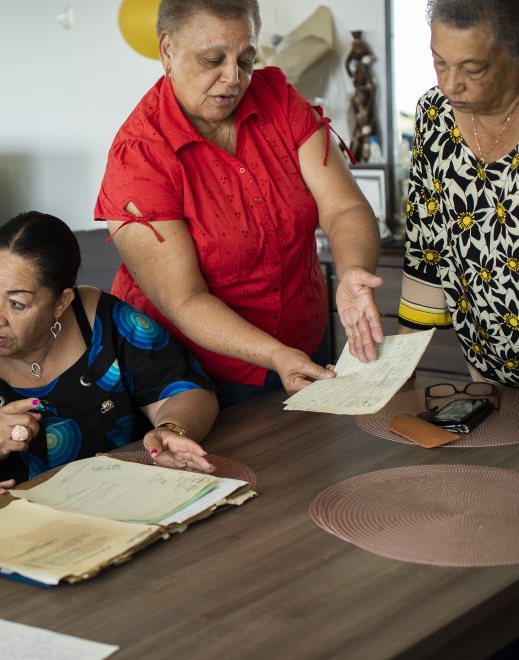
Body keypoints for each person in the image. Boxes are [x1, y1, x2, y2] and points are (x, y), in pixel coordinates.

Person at [95, 0, 385, 405]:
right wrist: (273, 354)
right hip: (195, 374)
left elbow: (344, 208)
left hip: (303, 343)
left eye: (246, 60)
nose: (233, 78)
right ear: (167, 50)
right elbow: (185, 300)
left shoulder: (278, 99)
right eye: (213, 59)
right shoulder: (139, 158)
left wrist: (354, 270)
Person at [0, 211, 219, 506]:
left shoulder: (101, 320)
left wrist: (173, 428)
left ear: (61, 303)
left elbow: (187, 390)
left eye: (17, 303)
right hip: (11, 536)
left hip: (119, 508)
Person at [398, 0, 519, 387]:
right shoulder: (434, 116)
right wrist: (398, 374)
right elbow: (426, 252)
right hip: (487, 376)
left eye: (473, 69)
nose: (451, 84)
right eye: (439, 62)